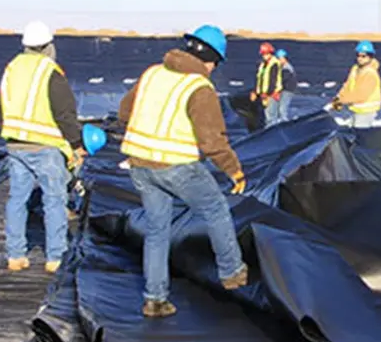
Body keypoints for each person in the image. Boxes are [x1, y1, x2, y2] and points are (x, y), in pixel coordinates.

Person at [119, 25, 248, 319]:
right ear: (211, 59)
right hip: (177, 165)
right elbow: (212, 141)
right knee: (215, 209)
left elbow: (125, 112)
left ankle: (155, 299)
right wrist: (234, 171)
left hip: (139, 164)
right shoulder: (199, 88)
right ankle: (232, 273)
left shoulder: (152, 73)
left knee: (156, 231)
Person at [0, 20, 85, 273]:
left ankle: (15, 255)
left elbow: (5, 103)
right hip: (45, 145)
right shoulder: (50, 71)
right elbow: (64, 113)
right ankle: (55, 257)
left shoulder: (11, 68)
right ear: (49, 46)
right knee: (55, 200)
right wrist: (77, 144)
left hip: (15, 144)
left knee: (17, 199)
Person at [332, 41, 381, 128]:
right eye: (358, 55)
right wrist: (338, 97)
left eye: (363, 56)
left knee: (359, 134)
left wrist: (342, 100)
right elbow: (347, 86)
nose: (360, 58)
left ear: (370, 57)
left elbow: (360, 95)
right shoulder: (355, 69)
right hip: (356, 110)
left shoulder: (371, 74)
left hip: (367, 112)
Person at [250, 42, 282, 128]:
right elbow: (259, 79)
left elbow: (273, 80)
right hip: (261, 95)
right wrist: (255, 91)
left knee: (270, 118)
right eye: (263, 54)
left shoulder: (274, 63)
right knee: (262, 118)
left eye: (265, 54)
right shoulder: (263, 65)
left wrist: (267, 93)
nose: (264, 56)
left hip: (271, 95)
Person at [275, 49, 296, 122]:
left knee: (282, 108)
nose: (278, 60)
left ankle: (284, 121)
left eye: (279, 58)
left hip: (287, 90)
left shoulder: (286, 68)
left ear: (284, 58)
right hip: (284, 90)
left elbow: (283, 79)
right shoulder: (282, 67)